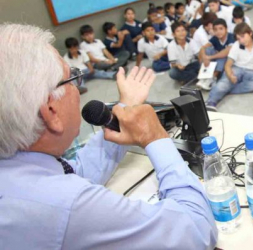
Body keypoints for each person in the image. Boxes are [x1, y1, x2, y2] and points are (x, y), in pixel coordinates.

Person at [0, 23, 218, 249]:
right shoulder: (65, 205)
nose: (77, 86)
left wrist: (126, 107)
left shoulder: (20, 170)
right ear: (51, 112)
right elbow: (196, 230)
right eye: (72, 77)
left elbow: (78, 171)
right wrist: (156, 138)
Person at [206, 23, 253, 111]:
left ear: (250, 33)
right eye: (239, 38)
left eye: (243, 36)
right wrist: (230, 75)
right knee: (225, 82)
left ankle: (223, 90)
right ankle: (211, 102)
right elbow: (228, 64)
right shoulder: (236, 46)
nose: (241, 40)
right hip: (237, 68)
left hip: (251, 71)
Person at [198, 19, 235, 89]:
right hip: (218, 63)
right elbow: (202, 48)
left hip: (230, 63)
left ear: (226, 29)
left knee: (223, 55)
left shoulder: (231, 37)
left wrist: (209, 58)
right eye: (215, 30)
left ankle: (212, 78)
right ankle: (204, 76)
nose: (218, 32)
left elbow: (227, 51)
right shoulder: (215, 38)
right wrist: (205, 58)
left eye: (221, 29)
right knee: (207, 50)